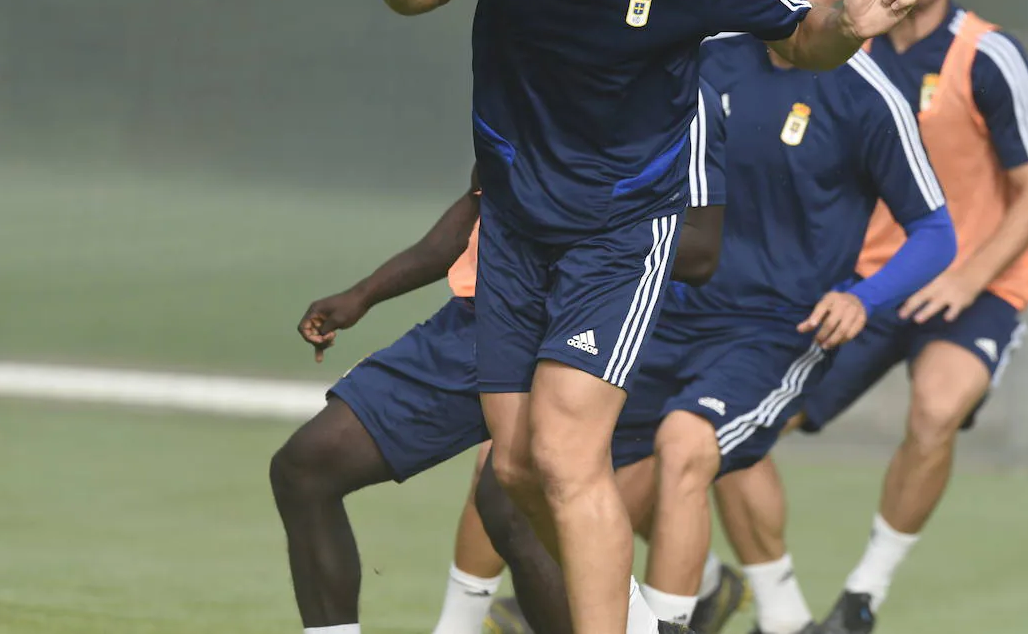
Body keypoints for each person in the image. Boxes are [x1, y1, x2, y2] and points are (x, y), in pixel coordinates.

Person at [347, 0, 918, 634]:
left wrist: (849, 22)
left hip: (621, 229)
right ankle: (639, 620)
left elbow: (804, 39)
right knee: (513, 466)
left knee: (569, 459)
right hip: (515, 223)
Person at [709, 0, 1028, 634]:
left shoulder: (987, 55)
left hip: (974, 283)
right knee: (729, 425)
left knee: (935, 406)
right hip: (862, 281)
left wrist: (967, 274)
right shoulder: (840, 44)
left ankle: (864, 594)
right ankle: (776, 607)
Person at [271, 81, 729, 634]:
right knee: (306, 468)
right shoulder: (528, 60)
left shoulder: (678, 89)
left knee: (514, 499)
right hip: (476, 317)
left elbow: (700, 251)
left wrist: (569, 222)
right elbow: (476, 204)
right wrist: (364, 294)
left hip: (583, 321)